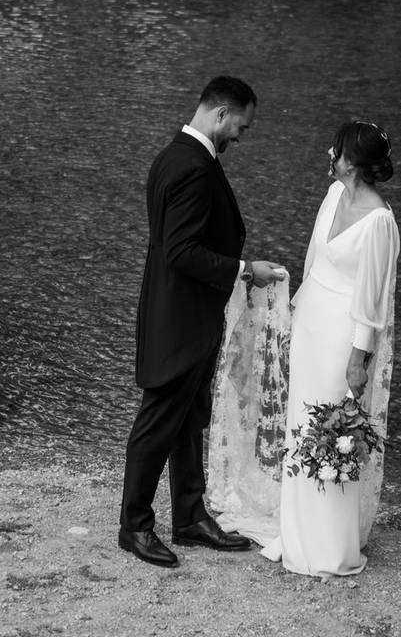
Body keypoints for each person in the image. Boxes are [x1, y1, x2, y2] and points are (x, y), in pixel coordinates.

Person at [119, 75, 285, 568]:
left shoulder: (177, 156)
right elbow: (182, 252)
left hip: (181, 313)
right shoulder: (192, 168)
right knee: (158, 422)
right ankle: (135, 526)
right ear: (219, 113)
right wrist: (242, 271)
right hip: (181, 319)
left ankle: (190, 516)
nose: (241, 135)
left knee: (191, 419)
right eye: (241, 125)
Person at [261, 120, 400, 577]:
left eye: (337, 151)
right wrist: (295, 308)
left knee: (332, 429)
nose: (331, 156)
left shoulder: (379, 222)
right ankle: (297, 533)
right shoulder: (334, 194)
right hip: (312, 324)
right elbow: (314, 259)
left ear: (355, 162)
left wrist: (359, 358)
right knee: (301, 422)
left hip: (342, 332)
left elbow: (373, 300)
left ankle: (329, 547)